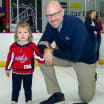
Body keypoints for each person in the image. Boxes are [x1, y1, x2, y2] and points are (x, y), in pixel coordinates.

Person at [38, 1, 97, 104]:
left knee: (85, 97)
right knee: (41, 57)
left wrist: (51, 50)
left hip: (84, 61)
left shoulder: (76, 25)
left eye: (55, 14)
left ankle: (92, 77)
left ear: (62, 12)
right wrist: (46, 50)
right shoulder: (50, 25)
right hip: (66, 56)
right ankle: (57, 94)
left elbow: (75, 56)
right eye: (49, 16)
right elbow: (40, 45)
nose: (52, 19)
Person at [5, 21, 44, 104]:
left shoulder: (32, 46)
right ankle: (14, 100)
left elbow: (37, 56)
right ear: (16, 34)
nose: (22, 35)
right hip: (16, 72)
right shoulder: (13, 46)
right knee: (15, 88)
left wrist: (44, 60)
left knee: (28, 88)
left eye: (25, 32)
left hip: (28, 72)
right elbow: (10, 58)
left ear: (29, 34)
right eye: (20, 32)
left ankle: (28, 100)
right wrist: (8, 68)